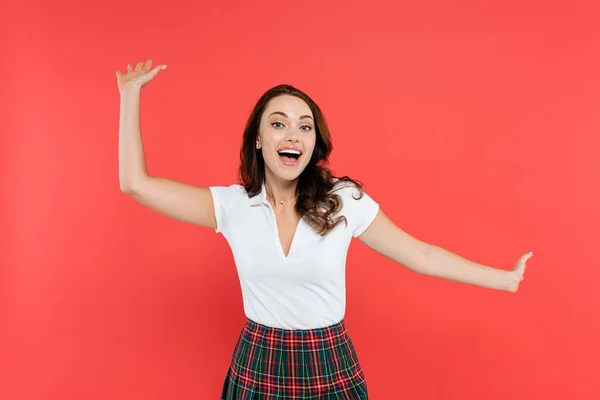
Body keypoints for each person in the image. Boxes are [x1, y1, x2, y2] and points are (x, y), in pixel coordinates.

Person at [116, 59, 533, 399]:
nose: (292, 134)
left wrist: (505, 279)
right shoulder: (231, 205)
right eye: (277, 123)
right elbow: (135, 183)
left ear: (314, 142)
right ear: (259, 139)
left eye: (304, 126)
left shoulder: (343, 199)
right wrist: (130, 95)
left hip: (327, 362)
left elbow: (421, 256)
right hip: (258, 362)